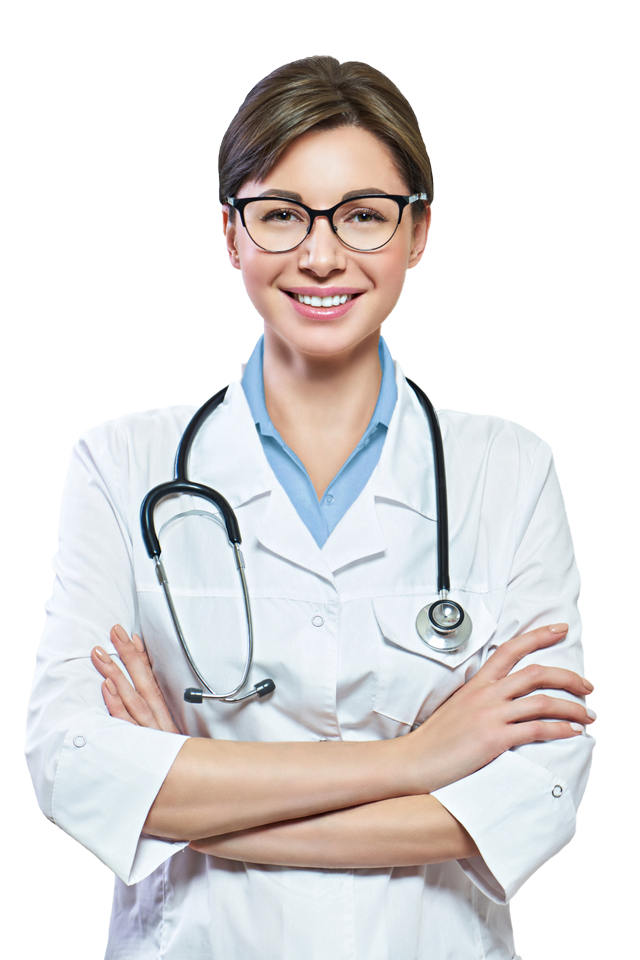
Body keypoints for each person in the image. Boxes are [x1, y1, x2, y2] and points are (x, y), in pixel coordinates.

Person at [26, 55, 595, 960]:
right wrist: (416, 760)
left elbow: (535, 796)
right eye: (282, 214)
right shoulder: (119, 466)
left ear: (418, 231)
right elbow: (74, 765)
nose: (321, 254)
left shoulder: (509, 472)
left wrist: (185, 797)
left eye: (364, 215)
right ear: (231, 233)